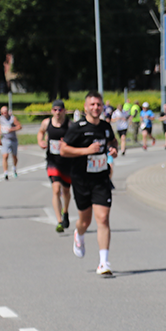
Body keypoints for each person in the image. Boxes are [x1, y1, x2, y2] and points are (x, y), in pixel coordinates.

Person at [59, 91, 118, 276]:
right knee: (85, 221)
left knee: (103, 218)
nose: (95, 107)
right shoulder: (77, 128)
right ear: (85, 107)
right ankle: (80, 234)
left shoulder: (106, 127)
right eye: (92, 104)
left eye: (98, 104)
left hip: (101, 178)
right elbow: (63, 150)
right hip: (81, 180)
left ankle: (104, 263)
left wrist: (113, 150)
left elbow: (112, 141)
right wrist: (86, 151)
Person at [36, 100, 73, 232]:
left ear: (64, 111)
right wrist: (40, 141)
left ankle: (66, 211)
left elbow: (75, 139)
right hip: (53, 161)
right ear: (52, 111)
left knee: (67, 191)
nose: (57, 112)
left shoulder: (69, 124)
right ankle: (59, 221)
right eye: (55, 110)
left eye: (60, 110)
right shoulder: (47, 123)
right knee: (56, 189)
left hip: (67, 162)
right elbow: (40, 132)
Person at [0, 106, 22, 179]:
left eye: (5, 112)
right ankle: (5, 172)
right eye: (2, 113)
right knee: (5, 156)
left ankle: (14, 168)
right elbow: (0, 127)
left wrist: (12, 129)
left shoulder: (12, 118)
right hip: (5, 139)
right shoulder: (0, 118)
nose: (4, 114)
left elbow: (19, 126)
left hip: (13, 139)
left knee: (14, 156)